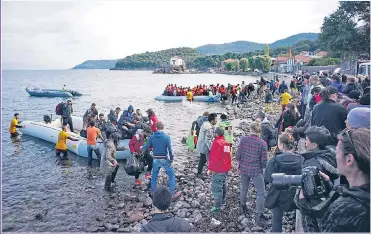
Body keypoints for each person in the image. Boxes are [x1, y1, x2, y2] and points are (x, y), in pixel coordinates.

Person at [296, 128, 370, 232]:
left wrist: (306, 211)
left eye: (337, 152)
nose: (335, 156)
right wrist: (333, 189)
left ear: (349, 159)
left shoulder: (343, 210)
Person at [299, 126, 339, 232]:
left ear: (314, 145)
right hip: (328, 205)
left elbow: (311, 195)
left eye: (307, 140)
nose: (305, 143)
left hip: (314, 211)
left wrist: (302, 202)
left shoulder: (312, 164)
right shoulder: (330, 155)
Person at [264, 132, 303, 232]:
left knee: (276, 222)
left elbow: (268, 178)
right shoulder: (301, 160)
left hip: (277, 195)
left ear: (281, 145)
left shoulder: (274, 161)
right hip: (294, 194)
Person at [236, 122, 267, 226]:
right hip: (255, 170)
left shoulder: (243, 140)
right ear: (259, 131)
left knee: (244, 188)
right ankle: (258, 215)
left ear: (250, 129)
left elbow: (237, 155)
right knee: (261, 193)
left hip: (244, 168)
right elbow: (264, 161)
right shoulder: (262, 143)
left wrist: (239, 163)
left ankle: (242, 207)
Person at [141, 121, 181, 199]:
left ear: (156, 128)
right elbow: (170, 149)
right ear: (163, 127)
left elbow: (146, 146)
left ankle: (153, 192)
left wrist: (140, 148)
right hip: (164, 159)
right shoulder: (166, 137)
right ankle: (172, 194)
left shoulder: (152, 137)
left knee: (154, 176)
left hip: (155, 159)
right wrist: (171, 159)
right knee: (171, 176)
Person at [207, 127, 232, 213]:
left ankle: (217, 207)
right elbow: (228, 156)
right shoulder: (226, 143)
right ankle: (223, 201)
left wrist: (210, 169)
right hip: (225, 168)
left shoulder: (216, 143)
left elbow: (214, 157)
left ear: (216, 134)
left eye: (214, 133)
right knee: (223, 184)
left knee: (216, 187)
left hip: (218, 169)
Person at [196, 113, 217, 177]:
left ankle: (202, 171)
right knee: (203, 159)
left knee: (203, 159)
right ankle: (199, 173)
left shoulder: (205, 124)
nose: (217, 121)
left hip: (200, 144)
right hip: (204, 146)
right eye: (216, 120)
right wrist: (212, 149)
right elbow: (207, 140)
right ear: (212, 120)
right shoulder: (209, 128)